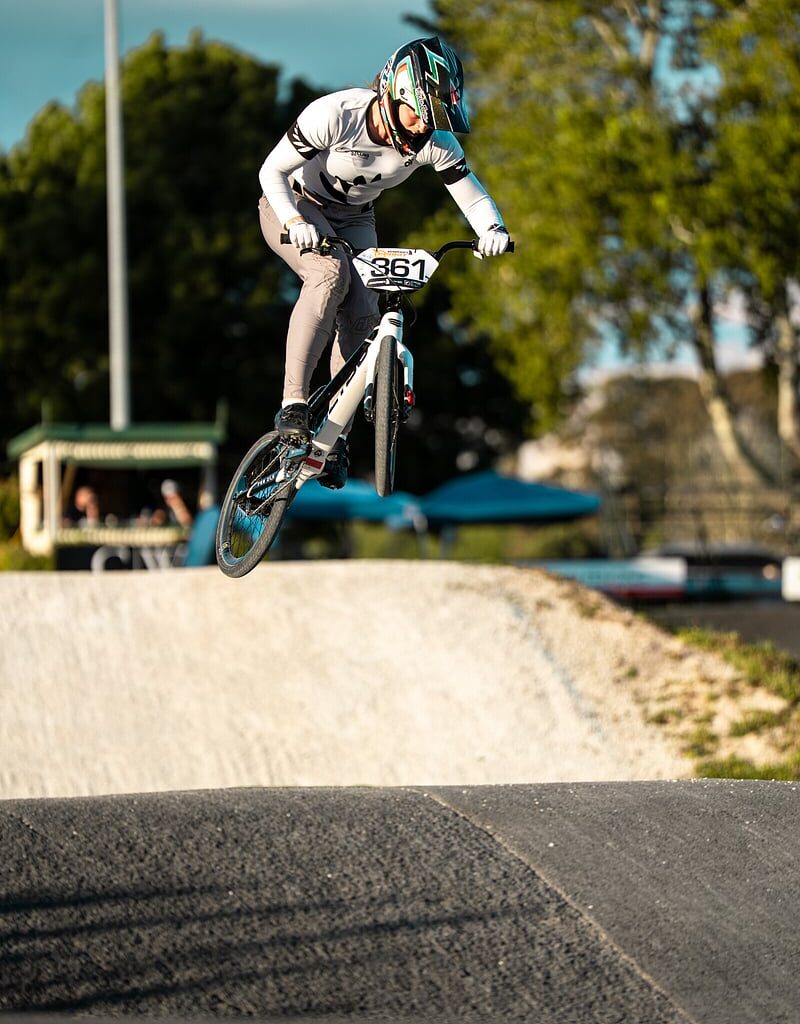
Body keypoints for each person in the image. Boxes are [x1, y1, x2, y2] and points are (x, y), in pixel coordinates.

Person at [257, 36, 510, 490]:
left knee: (363, 316)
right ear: (392, 94)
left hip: (355, 216)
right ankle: (293, 403)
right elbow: (270, 172)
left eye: (434, 120)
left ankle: (334, 440)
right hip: (292, 202)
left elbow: (471, 196)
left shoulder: (434, 140)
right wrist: (294, 220)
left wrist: (492, 231)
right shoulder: (336, 114)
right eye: (417, 114)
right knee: (329, 275)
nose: (423, 128)